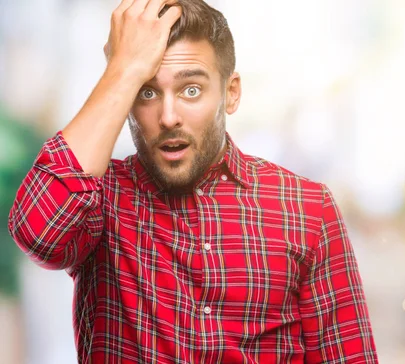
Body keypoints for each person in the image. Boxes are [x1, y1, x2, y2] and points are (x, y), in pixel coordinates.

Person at [8, 0, 378, 363]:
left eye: (191, 90)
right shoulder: (101, 199)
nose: (169, 116)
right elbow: (38, 234)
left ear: (231, 93)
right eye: (147, 92)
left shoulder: (307, 209)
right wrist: (122, 70)